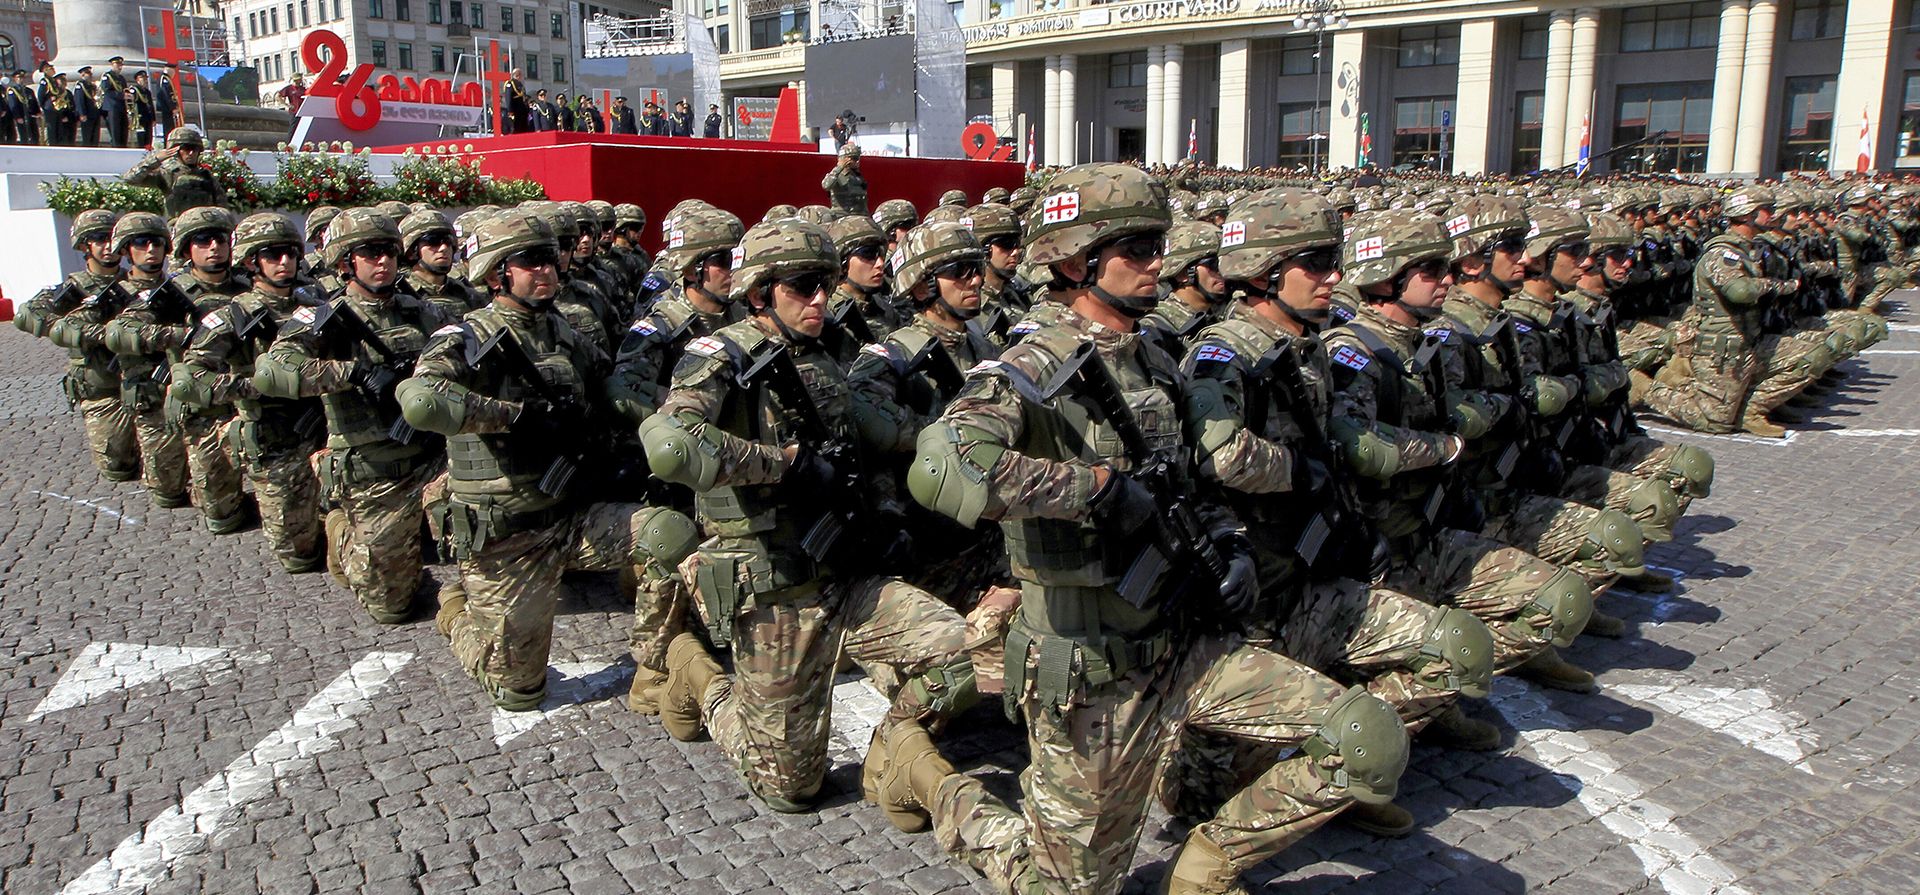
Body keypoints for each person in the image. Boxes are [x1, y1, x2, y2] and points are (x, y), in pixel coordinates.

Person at [901, 164, 1407, 895]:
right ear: (1076, 261)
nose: (1157, 263)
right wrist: (1094, 489)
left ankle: (1204, 867)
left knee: (1366, 737)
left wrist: (1227, 541)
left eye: (1157, 244)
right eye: (1136, 247)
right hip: (1091, 668)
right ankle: (931, 779)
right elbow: (941, 466)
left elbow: (1201, 478)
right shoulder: (1029, 367)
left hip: (1182, 638)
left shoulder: (1158, 360)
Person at [641, 217, 978, 817]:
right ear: (758, 293)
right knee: (791, 790)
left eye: (824, 283)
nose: (820, 297)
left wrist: (888, 512)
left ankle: (894, 758)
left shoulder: (827, 353)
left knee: (965, 652)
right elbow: (671, 444)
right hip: (776, 584)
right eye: (801, 287)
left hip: (847, 567)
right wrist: (783, 464)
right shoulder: (720, 356)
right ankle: (697, 676)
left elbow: (857, 448)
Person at [397, 211, 699, 711]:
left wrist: (677, 414)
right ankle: (455, 611)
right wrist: (516, 418)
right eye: (530, 261)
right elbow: (421, 400)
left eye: (549, 257)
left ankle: (655, 668)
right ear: (497, 274)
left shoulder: (563, 331)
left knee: (669, 534)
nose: (548, 269)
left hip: (570, 516)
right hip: (506, 536)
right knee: (518, 692)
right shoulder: (465, 338)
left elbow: (613, 385)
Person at [256, 209, 459, 623]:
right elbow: (272, 372)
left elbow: (464, 346)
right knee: (391, 607)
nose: (382, 261)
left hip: (433, 455)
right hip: (374, 469)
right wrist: (352, 373)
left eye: (388, 251)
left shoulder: (421, 309)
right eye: (369, 253)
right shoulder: (321, 319)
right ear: (346, 261)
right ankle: (338, 527)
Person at [172, 213, 327, 572]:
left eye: (290, 252)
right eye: (272, 255)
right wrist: (253, 387)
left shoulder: (319, 305)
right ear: (251, 261)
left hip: (326, 430)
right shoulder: (235, 315)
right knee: (298, 556)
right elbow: (189, 378)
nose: (284, 261)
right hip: (275, 437)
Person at [36, 210, 140, 483]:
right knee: (118, 468)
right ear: (84, 245)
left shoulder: (137, 281)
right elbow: (31, 316)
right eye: (99, 239)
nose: (109, 246)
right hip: (102, 389)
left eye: (113, 239)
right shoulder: (74, 289)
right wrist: (94, 332)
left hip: (145, 386)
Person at [100, 212, 191, 508]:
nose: (151, 250)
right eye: (141, 243)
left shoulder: (184, 288)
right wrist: (173, 335)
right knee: (167, 492)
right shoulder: (116, 294)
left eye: (156, 243)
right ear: (125, 250)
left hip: (193, 394)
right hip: (149, 396)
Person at [123, 128, 228, 218]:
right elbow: (130, 178)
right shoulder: (167, 174)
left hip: (205, 224)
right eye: (186, 149)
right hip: (178, 227)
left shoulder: (206, 176)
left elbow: (222, 206)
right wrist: (155, 160)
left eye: (194, 149)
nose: (191, 153)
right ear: (176, 151)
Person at [821, 141, 868, 216]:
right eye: (854, 159)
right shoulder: (837, 175)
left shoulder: (858, 177)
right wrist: (839, 167)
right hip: (841, 217)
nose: (857, 161)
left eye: (858, 158)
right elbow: (826, 185)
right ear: (845, 159)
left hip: (858, 216)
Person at [102, 57, 131, 147]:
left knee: (123, 131)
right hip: (112, 107)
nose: (119, 67)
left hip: (121, 107)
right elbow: (107, 91)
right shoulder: (107, 76)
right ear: (112, 65)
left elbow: (124, 90)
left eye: (120, 65)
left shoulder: (121, 78)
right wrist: (122, 96)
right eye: (117, 65)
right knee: (115, 132)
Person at [75, 67, 101, 147]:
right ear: (83, 74)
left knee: (95, 137)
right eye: (88, 73)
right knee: (87, 137)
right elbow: (79, 100)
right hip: (87, 114)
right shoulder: (80, 85)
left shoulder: (92, 86)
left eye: (90, 73)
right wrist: (82, 113)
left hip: (95, 113)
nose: (90, 75)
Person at [130, 71, 156, 148]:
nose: (145, 81)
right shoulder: (134, 90)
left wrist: (153, 118)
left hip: (148, 117)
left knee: (148, 138)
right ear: (138, 80)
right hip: (139, 118)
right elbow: (131, 103)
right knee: (141, 138)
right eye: (143, 79)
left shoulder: (147, 92)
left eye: (145, 79)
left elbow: (150, 105)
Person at [502, 68, 530, 134]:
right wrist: (510, 111)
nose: (521, 77)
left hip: (522, 111)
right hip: (515, 110)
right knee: (516, 129)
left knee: (523, 129)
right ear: (518, 75)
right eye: (521, 75)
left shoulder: (520, 85)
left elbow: (524, 98)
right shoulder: (510, 83)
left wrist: (527, 109)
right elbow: (508, 98)